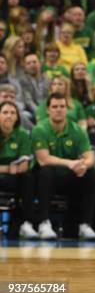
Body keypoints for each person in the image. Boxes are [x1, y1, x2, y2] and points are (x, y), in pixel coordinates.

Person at [32, 93, 95, 240]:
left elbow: (90, 157)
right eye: (55, 106)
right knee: (45, 172)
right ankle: (44, 223)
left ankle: (85, 225)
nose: (59, 109)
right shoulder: (40, 129)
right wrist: (70, 163)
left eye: (62, 106)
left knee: (91, 174)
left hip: (69, 177)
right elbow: (43, 159)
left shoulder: (77, 130)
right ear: (48, 110)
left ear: (67, 109)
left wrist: (83, 165)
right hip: (47, 179)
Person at [0, 100, 37, 239]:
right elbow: (13, 167)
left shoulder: (22, 135)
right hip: (7, 173)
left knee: (28, 178)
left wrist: (13, 169)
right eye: (5, 112)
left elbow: (24, 165)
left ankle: (25, 224)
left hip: (14, 179)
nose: (9, 116)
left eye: (12, 113)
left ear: (17, 117)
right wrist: (7, 168)